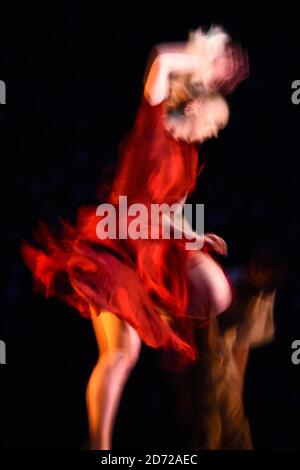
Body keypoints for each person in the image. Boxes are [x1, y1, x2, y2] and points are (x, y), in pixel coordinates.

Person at [21, 26, 248, 450]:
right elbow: (162, 60)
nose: (214, 134)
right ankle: (99, 447)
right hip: (113, 250)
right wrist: (203, 61)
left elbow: (167, 211)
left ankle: (156, 319)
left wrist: (194, 235)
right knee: (121, 355)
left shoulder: (189, 157)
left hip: (150, 250)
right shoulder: (153, 129)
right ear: (195, 105)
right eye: (215, 124)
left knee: (211, 295)